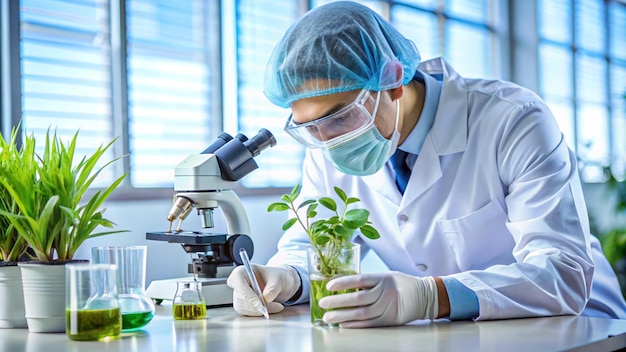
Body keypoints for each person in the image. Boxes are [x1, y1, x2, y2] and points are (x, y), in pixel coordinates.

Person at [227, 1, 626, 327]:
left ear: (393, 81)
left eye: (339, 116)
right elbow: (309, 246)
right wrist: (286, 278)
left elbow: (562, 272)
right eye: (310, 127)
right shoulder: (326, 149)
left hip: (579, 328)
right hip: (454, 336)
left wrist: (431, 295)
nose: (328, 141)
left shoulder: (513, 120)